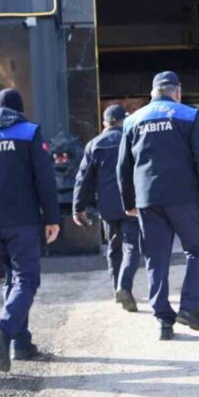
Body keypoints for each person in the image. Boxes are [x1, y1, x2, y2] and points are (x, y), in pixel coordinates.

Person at [0, 89, 60, 372]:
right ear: (20, 110)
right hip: (23, 219)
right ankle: (4, 329)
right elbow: (45, 178)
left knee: (11, 280)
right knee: (26, 280)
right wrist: (52, 218)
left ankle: (21, 344)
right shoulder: (30, 132)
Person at [118, 71, 199, 341]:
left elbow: (123, 166)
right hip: (184, 197)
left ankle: (163, 320)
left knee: (156, 257)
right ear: (178, 91)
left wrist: (129, 202)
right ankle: (189, 308)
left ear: (153, 93)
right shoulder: (189, 115)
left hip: (148, 200)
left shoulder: (133, 120)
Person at [73, 104, 140, 312]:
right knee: (132, 247)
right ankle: (124, 286)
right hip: (132, 204)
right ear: (123, 120)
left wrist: (78, 208)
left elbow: (83, 179)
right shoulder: (132, 139)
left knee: (114, 248)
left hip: (107, 207)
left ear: (104, 123)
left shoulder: (94, 145)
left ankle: (116, 288)